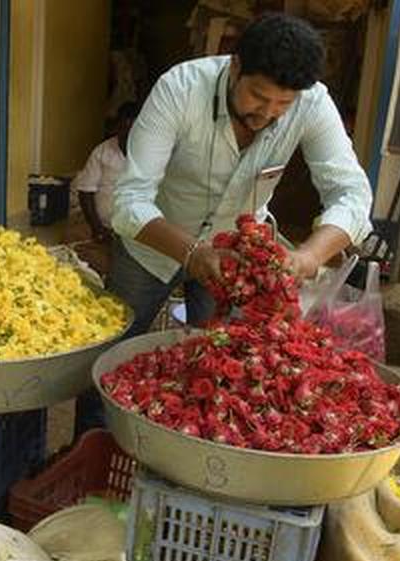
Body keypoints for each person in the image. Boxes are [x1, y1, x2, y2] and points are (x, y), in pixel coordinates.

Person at [74, 12, 372, 436]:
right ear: (235, 67)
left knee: (218, 369)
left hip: (237, 260)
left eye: (282, 105)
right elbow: (129, 202)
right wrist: (192, 253)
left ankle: (184, 452)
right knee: (109, 354)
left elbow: (352, 194)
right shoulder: (180, 88)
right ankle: (91, 446)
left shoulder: (312, 103)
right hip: (151, 246)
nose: (268, 114)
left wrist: (308, 257)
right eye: (258, 97)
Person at [76, 102, 139, 245]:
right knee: (72, 238)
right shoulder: (101, 152)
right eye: (124, 129)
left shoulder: (152, 153)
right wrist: (97, 228)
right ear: (116, 128)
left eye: (133, 130)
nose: (128, 135)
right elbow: (85, 191)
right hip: (105, 226)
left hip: (139, 230)